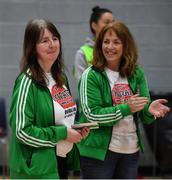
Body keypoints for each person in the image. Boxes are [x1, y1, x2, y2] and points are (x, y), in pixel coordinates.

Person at [76, 21, 170, 179]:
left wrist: (149, 110)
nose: (110, 47)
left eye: (116, 42)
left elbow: (143, 111)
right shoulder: (91, 75)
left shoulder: (136, 72)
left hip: (130, 151)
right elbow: (92, 114)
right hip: (98, 154)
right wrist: (126, 108)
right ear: (99, 45)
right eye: (106, 41)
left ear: (126, 45)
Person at [9, 19, 89, 179]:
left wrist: (77, 130)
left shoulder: (61, 78)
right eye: (44, 41)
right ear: (33, 47)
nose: (52, 44)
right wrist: (63, 133)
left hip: (60, 161)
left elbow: (63, 118)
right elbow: (22, 132)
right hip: (36, 170)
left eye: (55, 38)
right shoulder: (26, 81)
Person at [74, 5, 114, 82]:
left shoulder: (118, 49)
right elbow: (82, 84)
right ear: (94, 25)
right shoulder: (82, 53)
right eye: (107, 22)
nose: (111, 26)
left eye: (113, 22)